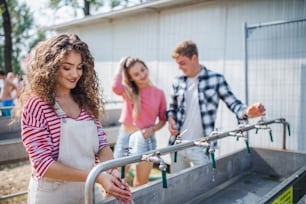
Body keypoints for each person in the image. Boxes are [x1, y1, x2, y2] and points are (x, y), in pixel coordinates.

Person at [13, 34, 132, 204]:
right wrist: (98, 176)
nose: (75, 74)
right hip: (52, 195)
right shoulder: (37, 105)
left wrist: (112, 173)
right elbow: (43, 165)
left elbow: (102, 145)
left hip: (87, 188)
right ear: (51, 68)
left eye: (80, 67)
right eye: (67, 67)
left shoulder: (85, 103)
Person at [167, 40, 266, 173]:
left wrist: (247, 111)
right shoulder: (177, 81)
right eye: (178, 64)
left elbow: (234, 104)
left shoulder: (216, 79)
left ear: (194, 58)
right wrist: (170, 120)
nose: (179, 67)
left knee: (204, 186)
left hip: (202, 147)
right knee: (176, 186)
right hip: (177, 146)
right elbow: (172, 108)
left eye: (183, 63)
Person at [112, 56, 167, 187]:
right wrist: (121, 65)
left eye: (143, 70)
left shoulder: (159, 93)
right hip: (126, 139)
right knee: (115, 182)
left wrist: (153, 129)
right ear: (131, 78)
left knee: (141, 183)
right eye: (136, 74)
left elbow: (163, 119)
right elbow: (115, 86)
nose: (142, 75)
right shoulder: (128, 91)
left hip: (147, 140)